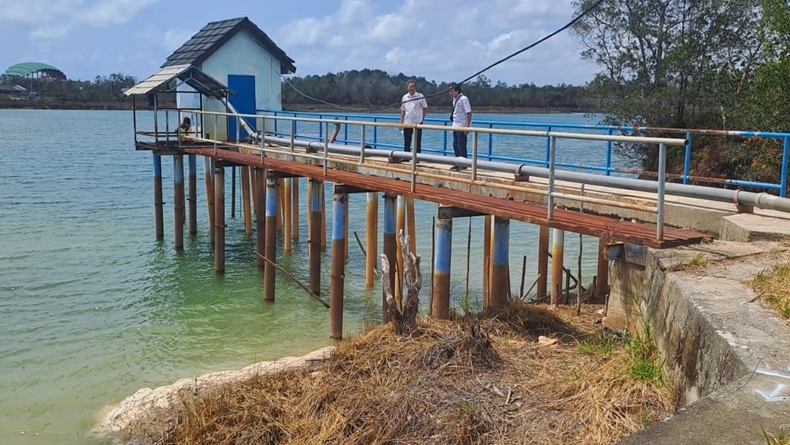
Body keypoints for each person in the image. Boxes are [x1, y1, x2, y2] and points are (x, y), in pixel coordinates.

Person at [400, 80, 428, 154]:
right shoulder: (404, 97)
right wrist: (401, 122)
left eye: (413, 86)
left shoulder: (420, 96)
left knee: (417, 142)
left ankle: (417, 158)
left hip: (417, 123)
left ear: (415, 87)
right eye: (410, 86)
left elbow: (425, 108)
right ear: (407, 87)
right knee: (407, 141)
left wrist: (422, 119)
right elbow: (403, 110)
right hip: (407, 123)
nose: (411, 88)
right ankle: (406, 156)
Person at [449, 83, 472, 170]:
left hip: (462, 125)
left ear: (457, 91)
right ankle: (457, 162)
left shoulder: (464, 99)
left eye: (451, 91)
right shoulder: (454, 99)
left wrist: (467, 126)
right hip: (455, 125)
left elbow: (469, 112)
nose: (450, 93)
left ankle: (464, 164)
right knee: (455, 145)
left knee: (461, 145)